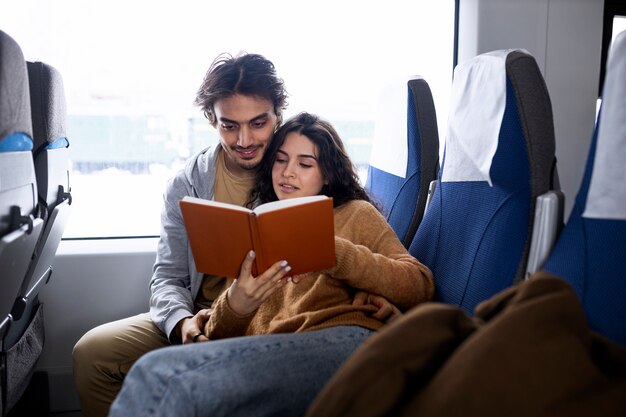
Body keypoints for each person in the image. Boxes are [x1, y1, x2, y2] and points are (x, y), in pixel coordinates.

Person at [73, 53, 401, 417]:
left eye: (258, 123)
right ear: (212, 120)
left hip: (264, 315)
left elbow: (356, 254)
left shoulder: (294, 176)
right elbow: (168, 277)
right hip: (204, 311)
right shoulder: (186, 185)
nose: (245, 139)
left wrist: (367, 283)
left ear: (277, 116)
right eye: (229, 126)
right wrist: (182, 323)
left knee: (181, 380)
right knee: (92, 354)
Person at [108, 112, 434, 417]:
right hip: (279, 349)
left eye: (304, 164)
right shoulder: (262, 229)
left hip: (346, 342)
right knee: (154, 370)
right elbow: (224, 334)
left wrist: (334, 252)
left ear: (328, 173)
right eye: (280, 160)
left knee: (161, 377)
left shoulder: (354, 214)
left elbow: (419, 284)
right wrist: (237, 302)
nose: (288, 172)